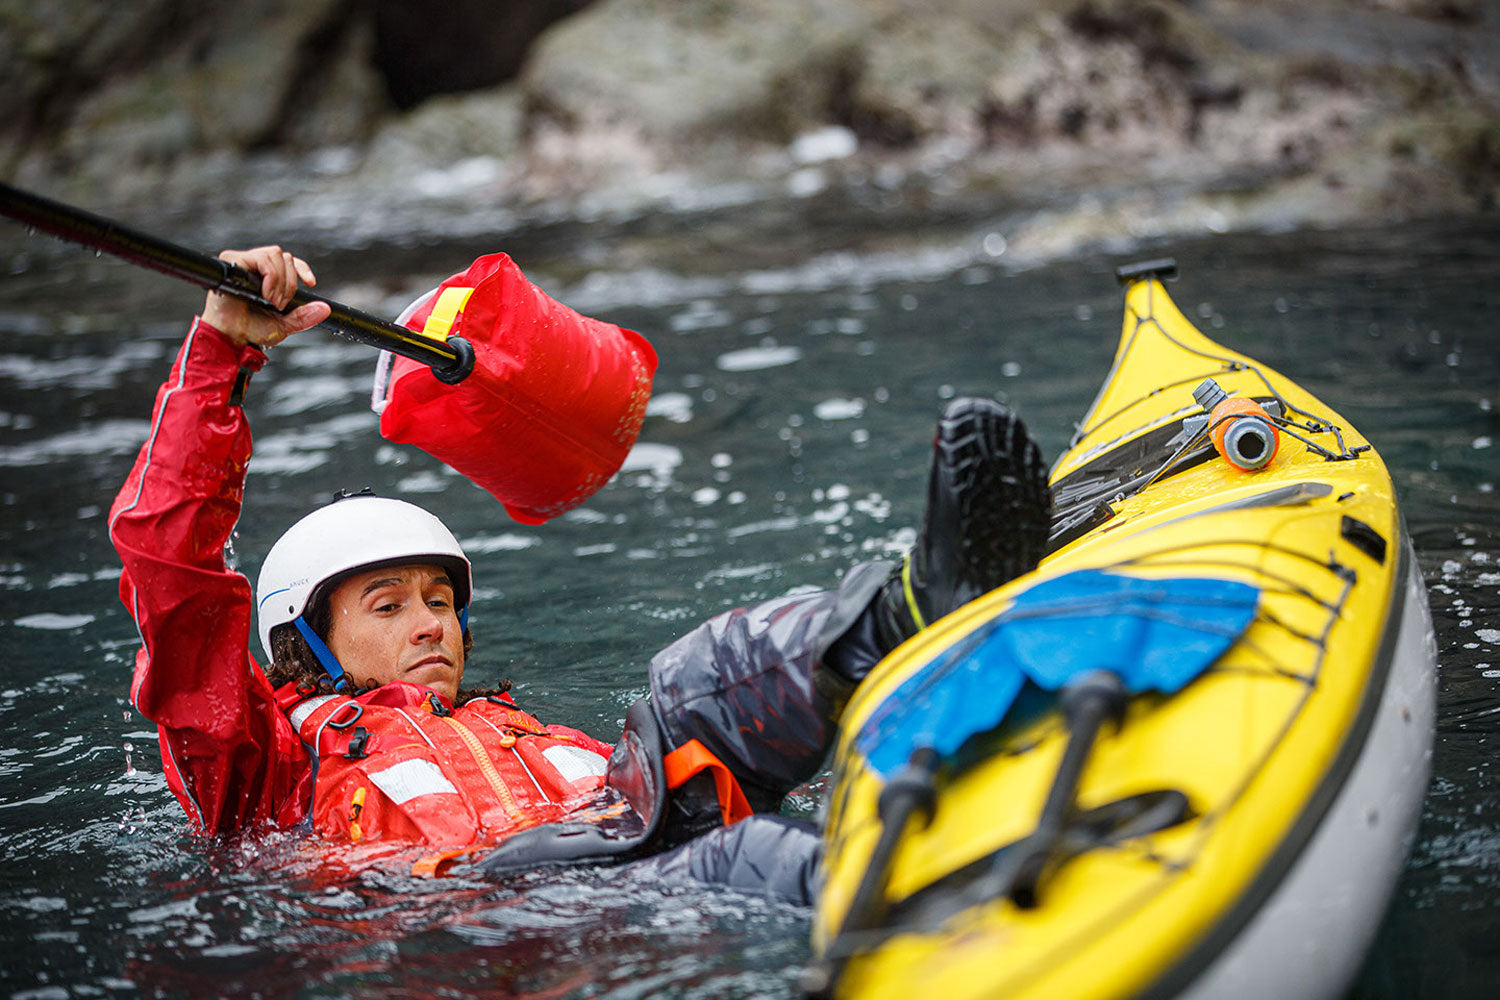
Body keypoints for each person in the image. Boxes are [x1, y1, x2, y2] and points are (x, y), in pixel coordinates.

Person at [109, 246, 1052, 897]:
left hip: (620, 834)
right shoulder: (259, 762)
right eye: (388, 606)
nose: (432, 624)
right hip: (506, 897)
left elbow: (691, 767)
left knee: (693, 684)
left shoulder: (517, 725)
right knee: (737, 859)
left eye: (440, 600)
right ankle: (915, 888)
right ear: (300, 644)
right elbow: (172, 575)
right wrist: (220, 350)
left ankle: (921, 605)